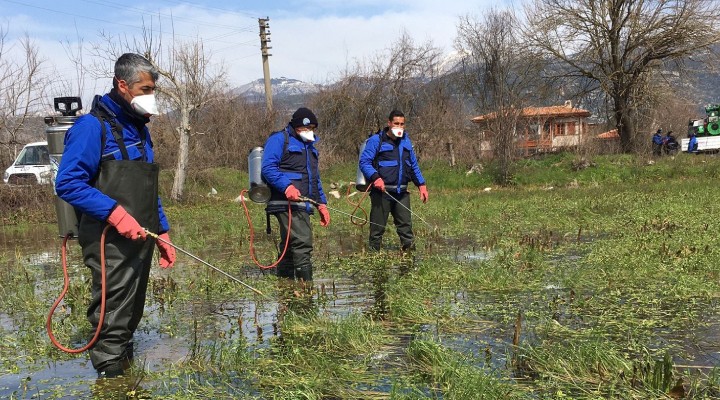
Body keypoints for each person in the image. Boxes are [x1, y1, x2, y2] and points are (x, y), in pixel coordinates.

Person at [55, 53, 176, 379]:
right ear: (122, 84)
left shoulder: (139, 130)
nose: (151, 96)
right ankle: (111, 380)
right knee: (113, 309)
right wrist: (116, 214)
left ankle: (125, 367)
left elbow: (149, 187)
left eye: (153, 89)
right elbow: (67, 183)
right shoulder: (91, 127)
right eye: (145, 88)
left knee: (131, 309)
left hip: (141, 236)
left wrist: (161, 230)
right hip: (109, 237)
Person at [261, 107, 330, 282]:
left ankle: (286, 287)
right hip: (284, 202)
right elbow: (268, 168)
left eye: (312, 128)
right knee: (302, 242)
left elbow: (314, 178)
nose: (308, 132)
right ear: (295, 126)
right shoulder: (279, 140)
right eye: (304, 128)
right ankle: (305, 290)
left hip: (303, 203)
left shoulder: (310, 147)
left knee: (290, 245)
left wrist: (321, 203)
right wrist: (287, 187)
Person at [359, 109, 428, 251]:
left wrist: (421, 185)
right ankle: (374, 263)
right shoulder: (376, 141)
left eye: (402, 124)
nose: (399, 126)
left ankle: (409, 262)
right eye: (396, 123)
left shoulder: (406, 142)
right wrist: (376, 178)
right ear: (389, 123)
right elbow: (364, 162)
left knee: (406, 231)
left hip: (402, 193)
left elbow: (413, 165)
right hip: (382, 194)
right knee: (377, 231)